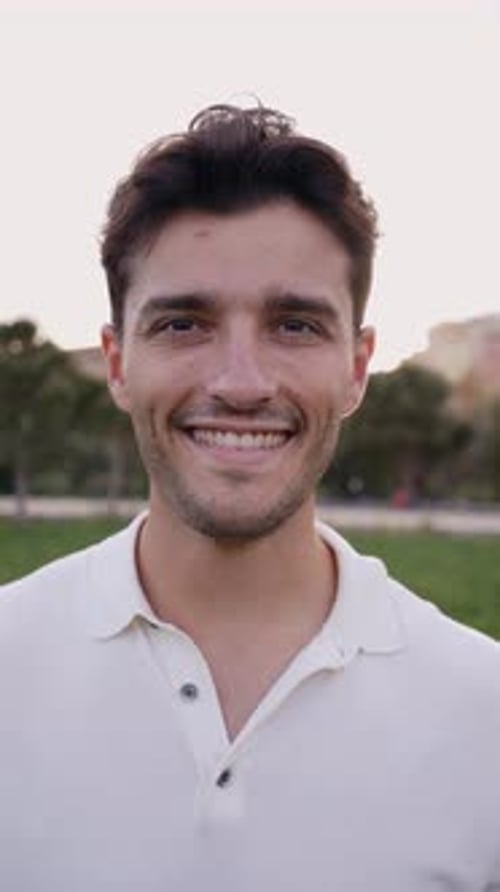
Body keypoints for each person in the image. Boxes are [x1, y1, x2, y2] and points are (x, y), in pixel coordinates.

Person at [1, 104, 499, 892]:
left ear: (358, 367)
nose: (240, 383)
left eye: (295, 325)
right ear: (118, 362)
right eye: (183, 323)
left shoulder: (486, 714)